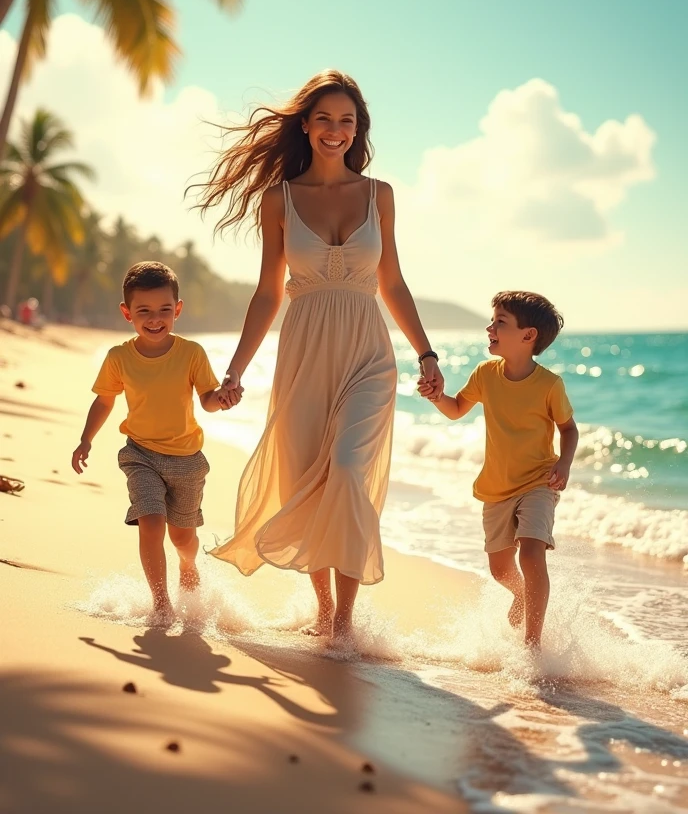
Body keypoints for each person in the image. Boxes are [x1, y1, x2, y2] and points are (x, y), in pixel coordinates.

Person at [195, 70, 444, 641]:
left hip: (367, 351)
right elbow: (267, 291)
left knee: (350, 473)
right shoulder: (277, 200)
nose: (336, 130)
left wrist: (426, 354)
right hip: (303, 353)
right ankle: (325, 609)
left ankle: (346, 621)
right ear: (306, 126)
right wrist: (235, 370)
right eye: (325, 119)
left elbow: (394, 283)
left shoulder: (379, 194)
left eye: (347, 121)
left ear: (358, 131)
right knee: (309, 473)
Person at [71, 262, 236, 623]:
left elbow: (207, 398)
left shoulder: (192, 353)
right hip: (140, 454)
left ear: (178, 309)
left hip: (187, 460)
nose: (155, 319)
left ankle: (188, 564)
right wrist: (86, 439)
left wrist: (221, 399)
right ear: (127, 312)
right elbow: (104, 401)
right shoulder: (118, 357)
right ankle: (162, 604)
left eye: (164, 310)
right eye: (144, 311)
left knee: (182, 539)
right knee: (150, 520)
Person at [418, 290, 578, 649]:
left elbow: (569, 429)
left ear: (528, 335)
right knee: (500, 569)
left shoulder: (549, 384)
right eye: (492, 321)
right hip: (496, 487)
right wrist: (435, 395)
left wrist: (564, 463)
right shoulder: (486, 373)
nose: (489, 327)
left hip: (539, 481)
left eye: (500, 322)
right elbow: (457, 408)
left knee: (531, 551)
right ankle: (520, 595)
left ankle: (531, 642)